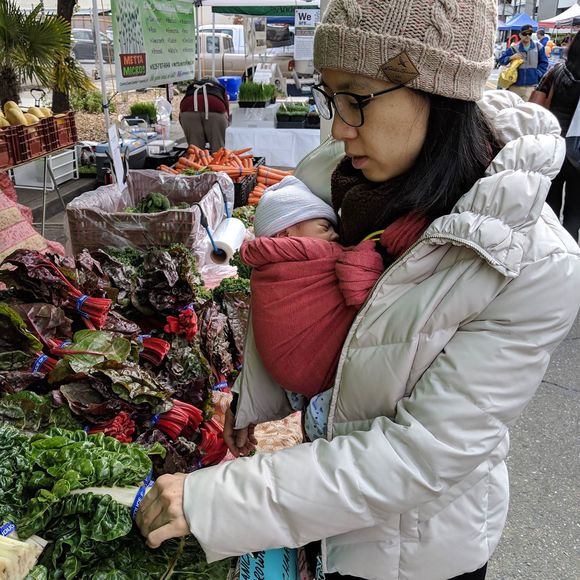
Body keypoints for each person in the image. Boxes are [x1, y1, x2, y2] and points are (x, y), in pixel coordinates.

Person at [136, 2, 580, 579]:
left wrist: (220, 500)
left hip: (416, 555)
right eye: (332, 97)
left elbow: (419, 455)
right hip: (320, 513)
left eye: (357, 98)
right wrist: (257, 399)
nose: (340, 128)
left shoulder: (533, 261)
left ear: (438, 92)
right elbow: (307, 303)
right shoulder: (345, 176)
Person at [533, 33, 580, 242]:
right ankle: (570, 251)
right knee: (574, 213)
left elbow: (534, 107)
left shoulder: (557, 71)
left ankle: (547, 247)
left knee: (548, 208)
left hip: (553, 147)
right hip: (578, 154)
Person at [499, 24, 548, 100]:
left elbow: (544, 63)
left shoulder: (539, 47)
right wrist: (511, 58)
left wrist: (537, 74)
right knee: (513, 107)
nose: (527, 36)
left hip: (531, 87)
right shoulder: (514, 48)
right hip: (514, 86)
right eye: (525, 33)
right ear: (520, 35)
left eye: (530, 33)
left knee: (528, 107)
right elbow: (501, 60)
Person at [179, 77, 229, 151]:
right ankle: (218, 156)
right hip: (216, 111)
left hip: (188, 112)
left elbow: (181, 113)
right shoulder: (219, 88)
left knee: (195, 149)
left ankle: (196, 156)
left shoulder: (192, 88)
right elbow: (227, 112)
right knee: (218, 147)